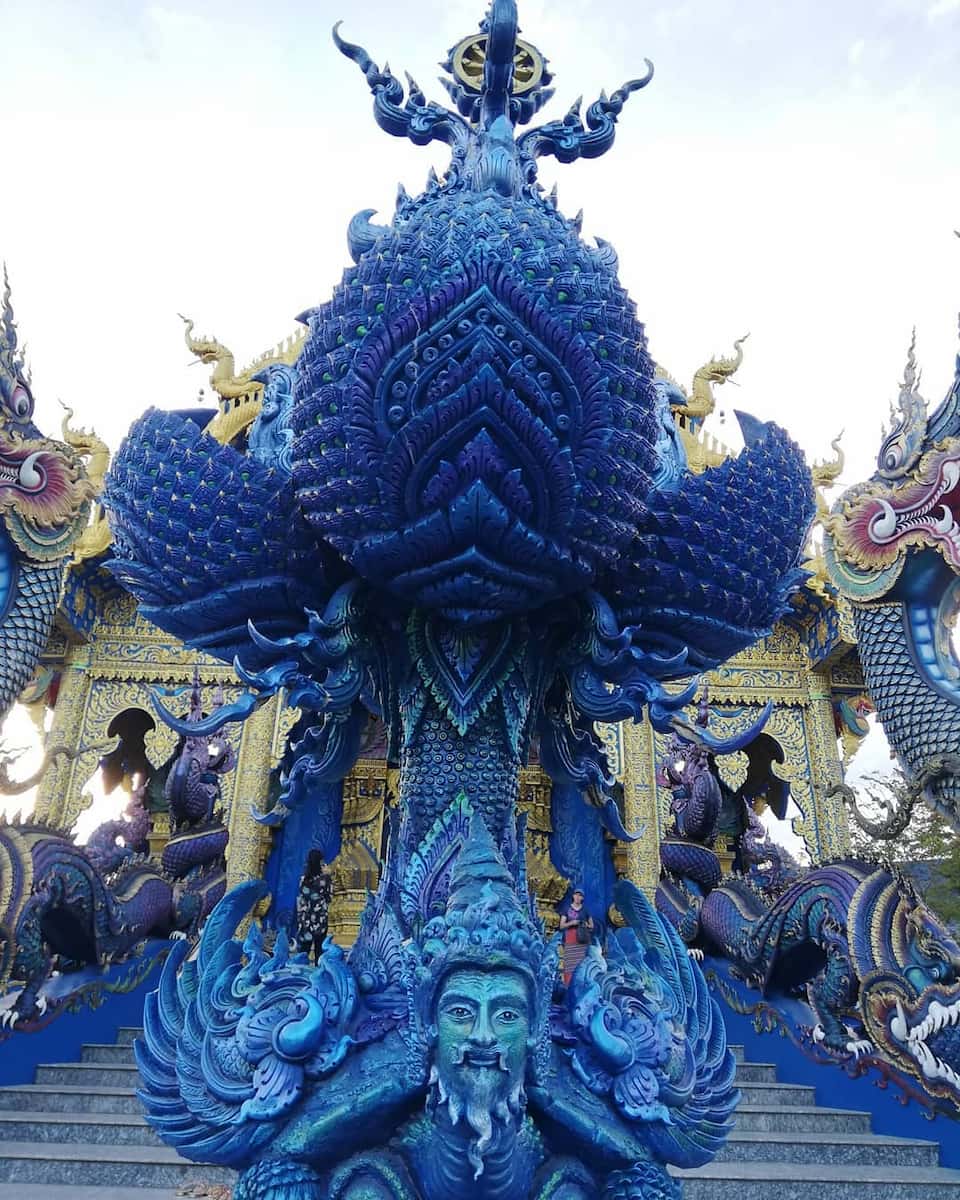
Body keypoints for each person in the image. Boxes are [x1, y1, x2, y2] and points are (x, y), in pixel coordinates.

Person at [295, 849, 333, 963]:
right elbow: (329, 896)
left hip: (306, 918)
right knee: (319, 949)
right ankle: (318, 972)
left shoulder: (304, 879)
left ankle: (299, 971)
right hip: (320, 918)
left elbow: (302, 897)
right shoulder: (325, 879)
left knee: (304, 949)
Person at [558, 888, 594, 985]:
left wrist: (585, 925)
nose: (578, 897)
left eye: (580, 896)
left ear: (582, 898)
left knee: (580, 963)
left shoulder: (585, 910)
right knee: (570, 963)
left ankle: (579, 984)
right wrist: (572, 922)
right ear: (573, 896)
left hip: (582, 938)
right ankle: (567, 985)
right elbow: (561, 925)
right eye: (576, 895)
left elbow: (592, 926)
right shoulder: (567, 909)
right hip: (570, 937)